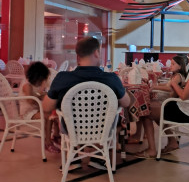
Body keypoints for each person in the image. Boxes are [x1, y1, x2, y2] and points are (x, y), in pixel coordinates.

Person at [43, 37, 130, 169]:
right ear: (96, 53)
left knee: (65, 117)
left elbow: (46, 107)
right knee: (117, 120)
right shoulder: (111, 78)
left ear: (78, 56)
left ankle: (74, 156)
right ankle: (98, 155)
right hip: (103, 129)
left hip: (73, 129)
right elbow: (126, 103)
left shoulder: (62, 78)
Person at [136, 45, 189, 158]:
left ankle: (151, 150)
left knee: (147, 111)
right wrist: (182, 84)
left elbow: (183, 96)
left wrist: (173, 83)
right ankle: (172, 142)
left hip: (186, 113)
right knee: (155, 108)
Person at [19, 61, 59, 153]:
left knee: (54, 112)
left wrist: (41, 94)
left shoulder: (35, 84)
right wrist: (41, 92)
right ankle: (48, 142)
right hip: (27, 113)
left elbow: (40, 96)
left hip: (36, 110)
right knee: (49, 116)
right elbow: (31, 101)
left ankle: (56, 135)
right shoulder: (27, 85)